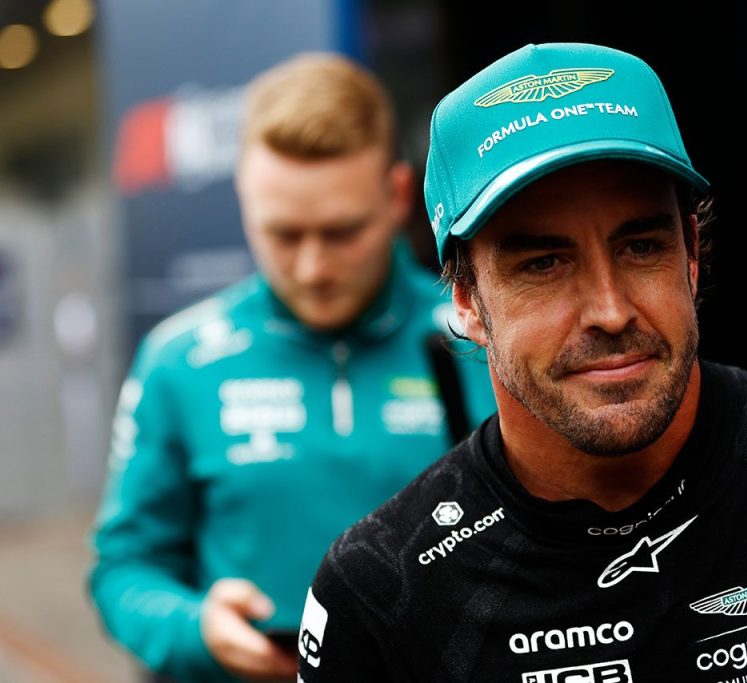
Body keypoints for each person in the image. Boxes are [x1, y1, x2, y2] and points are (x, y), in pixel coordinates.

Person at [297, 42, 747, 682]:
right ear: (466, 300)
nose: (611, 310)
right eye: (545, 263)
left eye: (641, 246)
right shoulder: (382, 594)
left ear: (693, 255)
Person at [88, 52, 496, 683]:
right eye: (283, 234)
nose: (313, 267)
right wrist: (196, 630)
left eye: (341, 232)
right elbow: (123, 569)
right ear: (244, 198)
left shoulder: (479, 337)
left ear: (395, 196)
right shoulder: (180, 359)